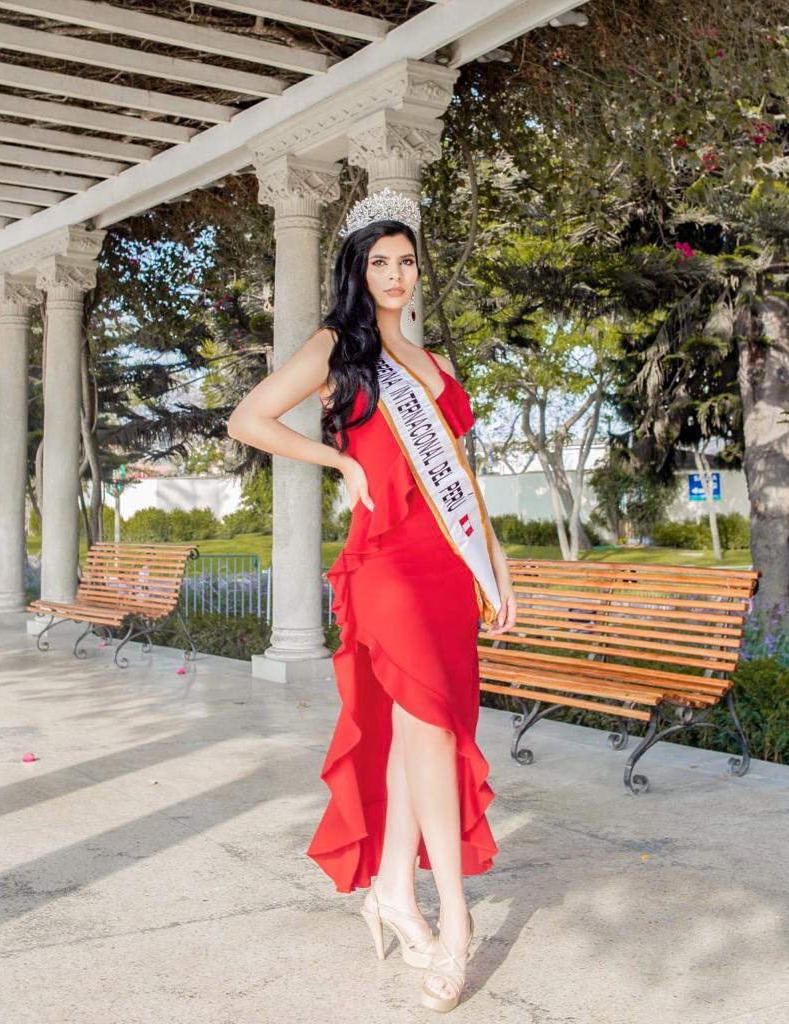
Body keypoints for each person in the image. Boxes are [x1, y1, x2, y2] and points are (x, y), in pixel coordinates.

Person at [228, 188, 516, 1013]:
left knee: (417, 732)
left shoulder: (436, 367)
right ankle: (455, 922)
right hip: (385, 562)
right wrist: (341, 463)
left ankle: (392, 891)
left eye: (406, 261)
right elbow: (249, 419)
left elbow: (463, 482)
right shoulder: (338, 348)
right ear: (357, 270)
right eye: (379, 261)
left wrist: (497, 566)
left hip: (447, 567)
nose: (395, 274)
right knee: (431, 729)